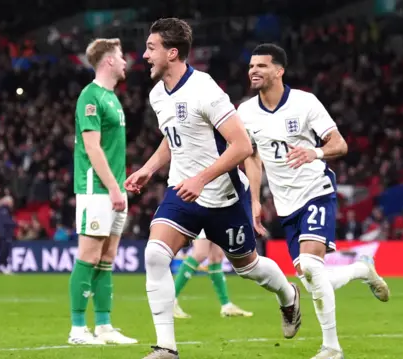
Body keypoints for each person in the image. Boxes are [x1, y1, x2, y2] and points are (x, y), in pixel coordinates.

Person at [125, 18, 301, 359]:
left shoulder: (205, 90)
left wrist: (202, 179)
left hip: (223, 196)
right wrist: (148, 169)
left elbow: (242, 146)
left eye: (151, 48)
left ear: (172, 53)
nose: (144, 55)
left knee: (249, 267)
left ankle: (288, 296)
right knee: (155, 255)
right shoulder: (157, 93)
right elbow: (173, 135)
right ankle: (166, 348)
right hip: (182, 192)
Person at [240, 43, 390, 359]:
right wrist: (254, 200)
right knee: (313, 279)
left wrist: (315, 151)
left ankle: (332, 348)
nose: (254, 70)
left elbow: (340, 143)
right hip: (285, 204)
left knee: (310, 265)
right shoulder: (246, 112)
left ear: (279, 71)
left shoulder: (305, 103)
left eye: (261, 66)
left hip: (316, 191)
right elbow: (252, 156)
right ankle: (361, 270)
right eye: (252, 65)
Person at [68, 38, 137, 345]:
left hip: (114, 189)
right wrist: (113, 188)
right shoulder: (90, 97)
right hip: (96, 189)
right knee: (89, 255)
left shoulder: (112, 98)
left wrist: (121, 186)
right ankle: (78, 329)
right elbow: (93, 148)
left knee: (108, 257)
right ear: (108, 60)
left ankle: (105, 326)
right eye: (121, 57)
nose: (125, 62)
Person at [173, 230, 253, 319]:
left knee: (216, 257)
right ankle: (170, 300)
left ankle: (226, 305)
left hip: (219, 220)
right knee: (200, 253)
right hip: (205, 218)